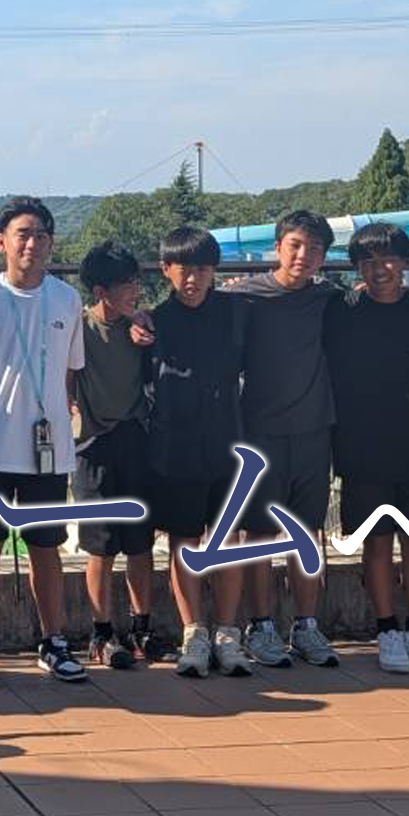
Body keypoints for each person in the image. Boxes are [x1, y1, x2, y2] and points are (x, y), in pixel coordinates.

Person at [0, 197, 87, 685]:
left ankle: (54, 640)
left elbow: (71, 369)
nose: (32, 243)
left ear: (51, 243)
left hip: (47, 452)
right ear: (1, 243)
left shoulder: (67, 298)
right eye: (22, 234)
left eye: (41, 235)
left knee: (45, 548)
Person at [323, 223, 409, 674]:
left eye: (389, 259)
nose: (380, 270)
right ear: (356, 268)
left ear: (406, 262)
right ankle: (386, 630)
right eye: (368, 262)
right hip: (361, 444)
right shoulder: (342, 311)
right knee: (375, 540)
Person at [220, 211, 342, 670]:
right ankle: (261, 625)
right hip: (260, 434)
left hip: (315, 430)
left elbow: (381, 296)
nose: (303, 255)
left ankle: (306, 625)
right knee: (259, 532)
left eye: (314, 249)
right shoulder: (244, 296)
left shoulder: (329, 297)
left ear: (324, 257)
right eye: (295, 245)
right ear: (277, 247)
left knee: (307, 533)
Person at [144, 229, 250, 678]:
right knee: (184, 541)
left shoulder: (236, 312)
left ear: (214, 271)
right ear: (166, 270)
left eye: (203, 269)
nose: (193, 278)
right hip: (176, 444)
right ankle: (193, 632)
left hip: (228, 440)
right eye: (184, 269)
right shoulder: (153, 322)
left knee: (228, 539)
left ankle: (227, 632)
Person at [71, 241, 159, 671]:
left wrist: (144, 325)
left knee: (140, 542)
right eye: (126, 286)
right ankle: (101, 632)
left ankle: (143, 627)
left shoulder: (141, 326)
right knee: (101, 545)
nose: (134, 292)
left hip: (135, 438)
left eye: (136, 283)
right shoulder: (78, 328)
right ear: (101, 291)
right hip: (93, 445)